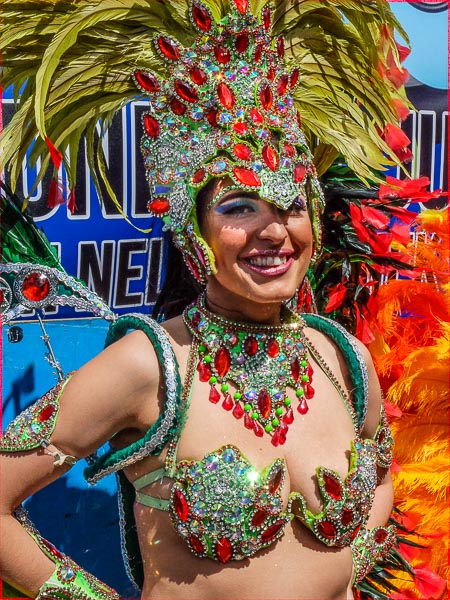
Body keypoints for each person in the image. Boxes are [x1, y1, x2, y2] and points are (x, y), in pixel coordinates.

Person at [1, 1, 407, 598]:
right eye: (239, 207)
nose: (273, 232)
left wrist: (350, 573)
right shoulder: (153, 365)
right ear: (195, 228)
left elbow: (378, 480)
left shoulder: (342, 357)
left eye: (290, 204)